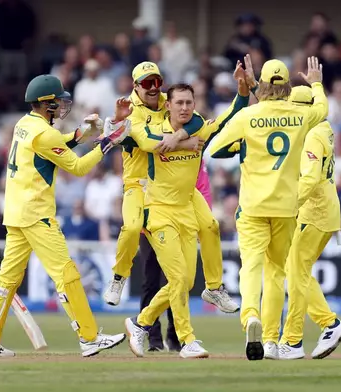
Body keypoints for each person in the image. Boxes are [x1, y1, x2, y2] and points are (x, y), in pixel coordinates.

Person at [0, 74, 125, 357]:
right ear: (45, 104)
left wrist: (80, 134)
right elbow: (77, 167)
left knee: (7, 279)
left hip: (16, 213)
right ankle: (89, 338)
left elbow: (50, 149)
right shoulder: (46, 133)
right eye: (57, 101)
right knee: (66, 273)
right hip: (36, 214)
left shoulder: (24, 124)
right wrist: (106, 143)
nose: (61, 105)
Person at [115, 65, 250, 358]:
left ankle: (141, 322)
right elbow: (147, 142)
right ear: (168, 105)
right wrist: (180, 140)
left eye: (190, 102)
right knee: (176, 278)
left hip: (187, 208)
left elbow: (227, 120)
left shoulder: (198, 125)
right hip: (159, 212)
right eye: (179, 103)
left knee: (187, 279)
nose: (185, 107)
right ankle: (187, 341)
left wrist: (242, 93)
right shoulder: (152, 129)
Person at [208, 57, 327, 360]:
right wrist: (315, 82)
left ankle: (251, 317)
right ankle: (272, 340)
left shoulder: (248, 116)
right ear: (288, 86)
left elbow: (216, 148)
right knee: (276, 272)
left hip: (252, 205)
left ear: (260, 84)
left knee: (251, 266)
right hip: (287, 207)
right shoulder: (301, 116)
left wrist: (245, 146)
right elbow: (323, 110)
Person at [278, 86, 341, 360]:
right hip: (325, 211)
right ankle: (325, 326)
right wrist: (317, 84)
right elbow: (321, 102)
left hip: (314, 212)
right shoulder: (323, 126)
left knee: (296, 273)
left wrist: (288, 205)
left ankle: (298, 338)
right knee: (299, 271)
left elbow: (309, 178)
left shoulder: (310, 136)